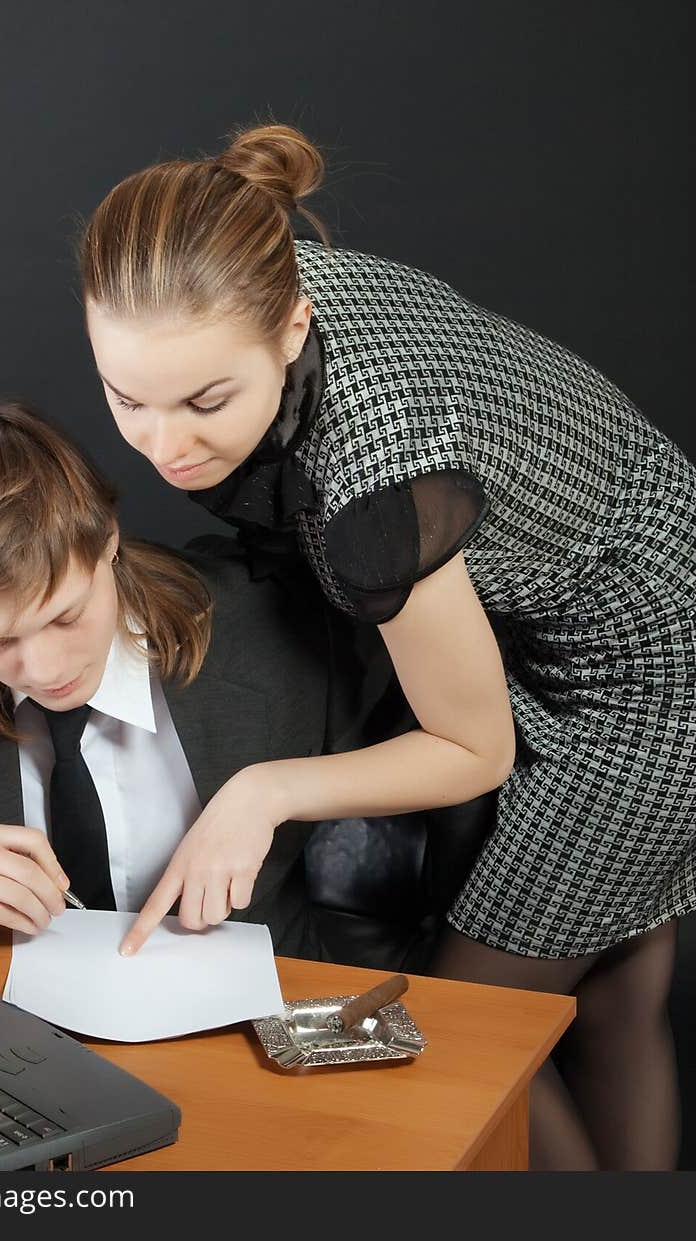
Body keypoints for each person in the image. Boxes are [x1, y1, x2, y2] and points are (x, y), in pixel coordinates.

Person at [79, 123, 696, 1170]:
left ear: (291, 325)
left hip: (651, 685)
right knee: (609, 1001)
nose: (165, 446)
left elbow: (473, 749)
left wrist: (259, 790)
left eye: (205, 402)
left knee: (460, 1042)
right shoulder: (241, 257)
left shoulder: (377, 484)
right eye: (125, 397)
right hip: (582, 578)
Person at [0, 400, 385, 960]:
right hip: (7, 1033)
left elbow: (455, 748)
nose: (45, 671)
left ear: (108, 539)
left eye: (65, 616)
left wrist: (273, 791)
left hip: (259, 1022)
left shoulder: (272, 621)